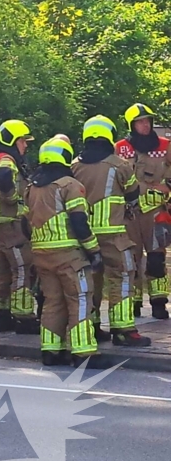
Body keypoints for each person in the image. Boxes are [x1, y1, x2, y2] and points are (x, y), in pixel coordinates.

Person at [71, 116, 151, 346]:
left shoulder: (74, 166)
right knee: (123, 276)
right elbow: (133, 194)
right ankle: (123, 329)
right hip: (113, 234)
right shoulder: (120, 165)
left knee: (90, 280)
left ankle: (93, 326)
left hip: (84, 235)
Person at [24, 137, 102, 366]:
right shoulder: (69, 185)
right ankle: (83, 352)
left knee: (53, 301)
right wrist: (94, 250)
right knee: (80, 299)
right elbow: (79, 222)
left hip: (41, 254)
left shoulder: (31, 187)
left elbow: (23, 224)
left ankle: (51, 351)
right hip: (69, 255)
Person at [115, 104, 171, 320]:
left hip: (156, 212)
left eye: (148, 121)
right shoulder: (120, 148)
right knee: (131, 259)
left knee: (156, 259)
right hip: (129, 214)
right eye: (140, 122)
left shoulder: (165, 146)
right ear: (132, 125)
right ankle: (134, 302)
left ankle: (159, 303)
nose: (145, 125)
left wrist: (167, 186)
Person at [0, 120, 38, 333]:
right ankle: (23, 317)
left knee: (2, 268)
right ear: (13, 140)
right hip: (9, 223)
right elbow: (5, 178)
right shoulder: (7, 160)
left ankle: (1, 314)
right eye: (23, 140)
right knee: (23, 266)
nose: (25, 145)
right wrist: (14, 198)